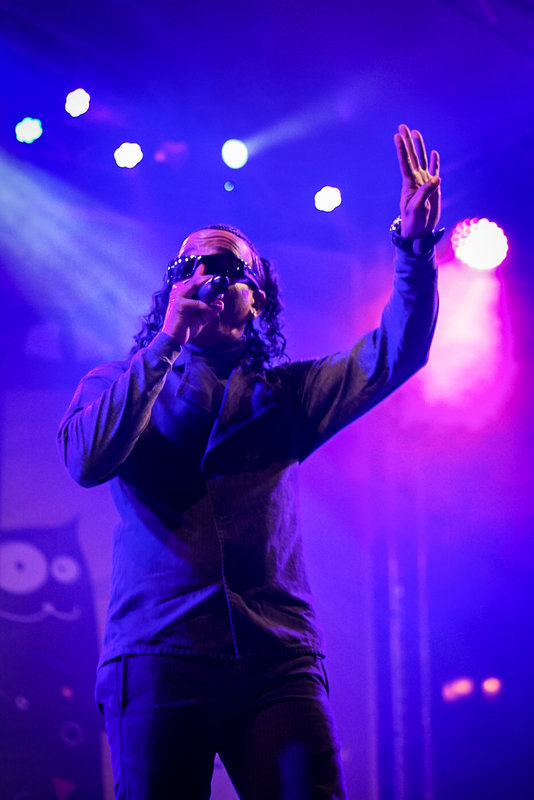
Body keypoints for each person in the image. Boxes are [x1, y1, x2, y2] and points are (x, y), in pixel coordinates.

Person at [58, 124, 441, 800]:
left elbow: (394, 353)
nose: (207, 276)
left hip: (276, 658)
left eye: (227, 267)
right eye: (189, 267)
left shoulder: (290, 394)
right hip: (159, 653)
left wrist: (414, 248)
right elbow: (88, 460)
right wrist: (167, 343)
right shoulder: (116, 383)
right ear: (170, 290)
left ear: (257, 297)